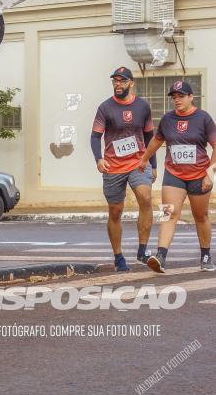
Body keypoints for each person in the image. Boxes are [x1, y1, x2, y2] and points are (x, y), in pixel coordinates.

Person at [137, 80, 216, 273]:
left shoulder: (203, 118)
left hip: (199, 174)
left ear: (191, 97)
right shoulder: (167, 119)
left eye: (181, 96)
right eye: (174, 97)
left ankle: (205, 255)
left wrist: (210, 173)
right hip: (173, 174)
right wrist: (144, 159)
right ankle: (161, 256)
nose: (177, 100)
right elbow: (157, 141)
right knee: (168, 214)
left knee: (201, 216)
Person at [91, 67, 157, 271]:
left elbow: (149, 137)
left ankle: (143, 250)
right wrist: (99, 159)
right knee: (115, 211)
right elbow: (95, 136)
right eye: (115, 81)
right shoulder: (105, 108)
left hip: (138, 162)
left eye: (122, 81)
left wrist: (153, 164)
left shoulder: (142, 106)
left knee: (145, 198)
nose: (118, 84)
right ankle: (118, 256)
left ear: (131, 83)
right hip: (113, 165)